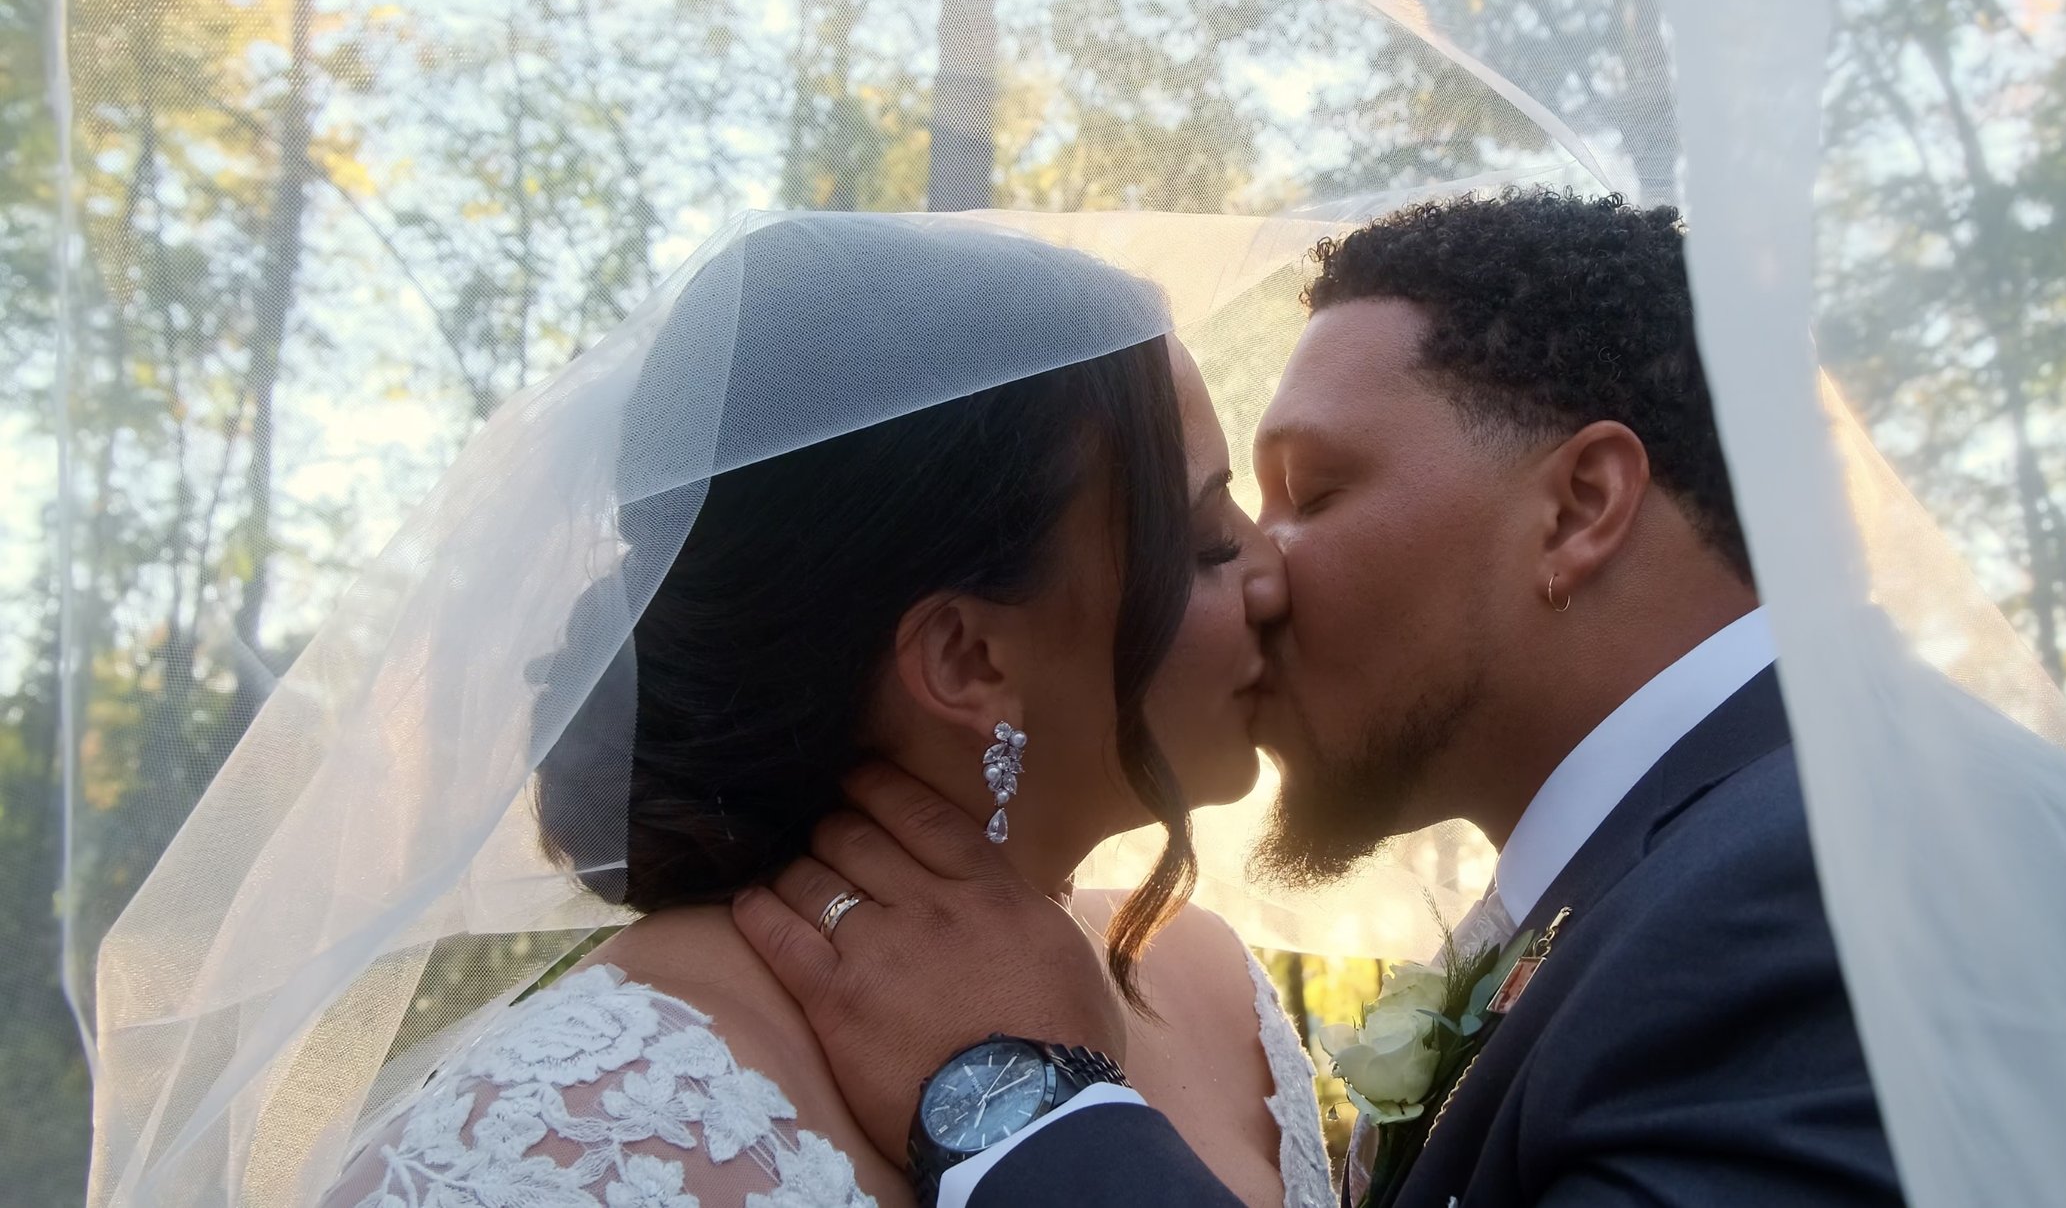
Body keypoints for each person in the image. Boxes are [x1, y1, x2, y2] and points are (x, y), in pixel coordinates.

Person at [735, 191, 1907, 1207]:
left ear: (1580, 506)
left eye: (1312, 490)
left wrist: (1019, 1110)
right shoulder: (1718, 869)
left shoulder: (1806, 887)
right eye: (1215, 531)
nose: (1265, 570)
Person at [305, 214, 1333, 1208]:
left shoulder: (1214, 989)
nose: (1273, 575)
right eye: (1203, 544)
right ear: (967, 657)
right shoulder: (582, 1131)